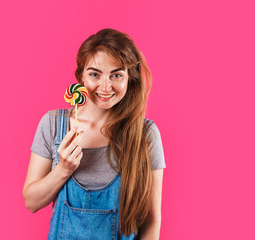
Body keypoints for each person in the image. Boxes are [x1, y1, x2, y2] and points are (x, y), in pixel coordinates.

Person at [22, 28, 166, 240]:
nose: (105, 87)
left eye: (116, 75)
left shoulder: (145, 134)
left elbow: (152, 220)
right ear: (80, 76)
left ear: (130, 78)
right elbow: (31, 202)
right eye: (94, 74)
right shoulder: (53, 124)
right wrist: (63, 169)